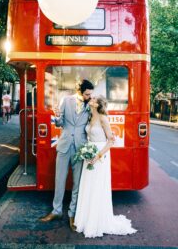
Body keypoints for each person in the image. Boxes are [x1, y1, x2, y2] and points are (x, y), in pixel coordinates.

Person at [74, 95, 137, 238]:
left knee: (97, 187)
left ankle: (96, 222)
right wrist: (87, 152)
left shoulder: (103, 118)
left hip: (100, 156)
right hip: (89, 154)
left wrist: (97, 156)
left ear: (97, 104)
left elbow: (111, 141)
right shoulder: (90, 116)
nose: (91, 99)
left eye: (94, 99)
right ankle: (85, 219)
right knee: (88, 186)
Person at [39, 79, 94, 231]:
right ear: (79, 92)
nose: (90, 96)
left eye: (91, 94)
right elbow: (60, 123)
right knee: (59, 180)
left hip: (80, 148)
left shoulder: (91, 104)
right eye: (87, 94)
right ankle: (56, 211)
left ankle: (72, 214)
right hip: (64, 146)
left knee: (77, 183)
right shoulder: (66, 100)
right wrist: (56, 116)